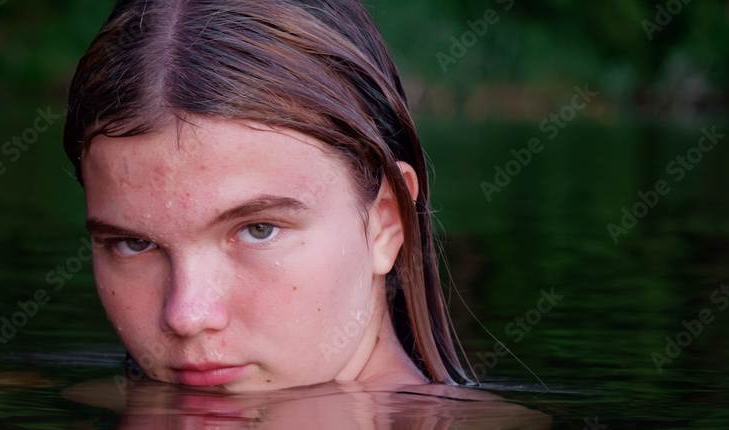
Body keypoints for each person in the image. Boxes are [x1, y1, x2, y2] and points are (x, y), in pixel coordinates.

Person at [63, 0, 471, 391]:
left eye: (258, 229)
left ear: (386, 221)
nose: (187, 317)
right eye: (134, 243)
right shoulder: (87, 417)